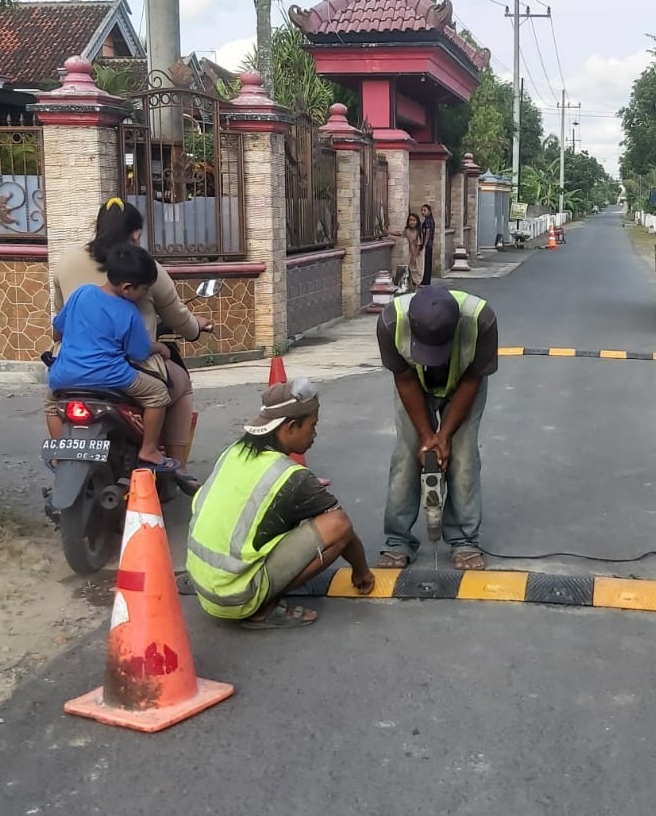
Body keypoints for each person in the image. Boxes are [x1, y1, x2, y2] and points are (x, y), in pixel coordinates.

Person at [185, 378, 375, 629]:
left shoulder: (234, 451)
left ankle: (253, 588)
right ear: (290, 427)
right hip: (236, 597)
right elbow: (343, 528)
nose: (315, 434)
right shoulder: (291, 476)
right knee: (337, 524)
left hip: (203, 584)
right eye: (312, 426)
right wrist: (361, 570)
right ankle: (263, 608)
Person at [51, 197, 212, 489]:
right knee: (177, 386)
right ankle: (174, 467)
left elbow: (58, 323)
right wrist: (193, 329)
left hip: (68, 365)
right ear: (136, 233)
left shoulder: (69, 269)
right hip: (123, 367)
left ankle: (64, 454)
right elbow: (174, 321)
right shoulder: (144, 272)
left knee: (51, 402)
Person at [374, 283, 498, 570]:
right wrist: (427, 437)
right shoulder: (391, 322)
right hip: (414, 383)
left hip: (465, 381)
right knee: (407, 455)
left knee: (464, 456)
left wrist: (444, 436)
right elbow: (404, 378)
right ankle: (398, 541)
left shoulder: (483, 321)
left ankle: (465, 540)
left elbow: (472, 380)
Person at [46, 244, 178, 471]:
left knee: (51, 404)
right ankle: (148, 449)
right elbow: (138, 352)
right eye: (144, 289)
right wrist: (159, 347)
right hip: (110, 377)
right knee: (158, 394)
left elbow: (58, 331)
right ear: (128, 288)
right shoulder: (129, 312)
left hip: (64, 377)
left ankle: (61, 451)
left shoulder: (81, 293)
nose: (146, 295)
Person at [388, 212, 423, 292]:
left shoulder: (419, 232)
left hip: (419, 253)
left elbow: (419, 245)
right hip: (411, 252)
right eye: (410, 220)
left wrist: (415, 256)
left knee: (418, 269)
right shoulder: (407, 231)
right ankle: (408, 286)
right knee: (409, 267)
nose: (412, 222)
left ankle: (417, 287)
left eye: (414, 220)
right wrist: (388, 232)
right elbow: (399, 233)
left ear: (417, 221)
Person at [418, 203, 437, 286]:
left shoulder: (429, 221)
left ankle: (425, 280)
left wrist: (424, 245)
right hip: (429, 244)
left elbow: (428, 232)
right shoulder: (428, 220)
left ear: (429, 211)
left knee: (426, 263)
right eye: (422, 210)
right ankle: (426, 280)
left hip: (427, 245)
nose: (423, 212)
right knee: (427, 262)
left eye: (424, 210)